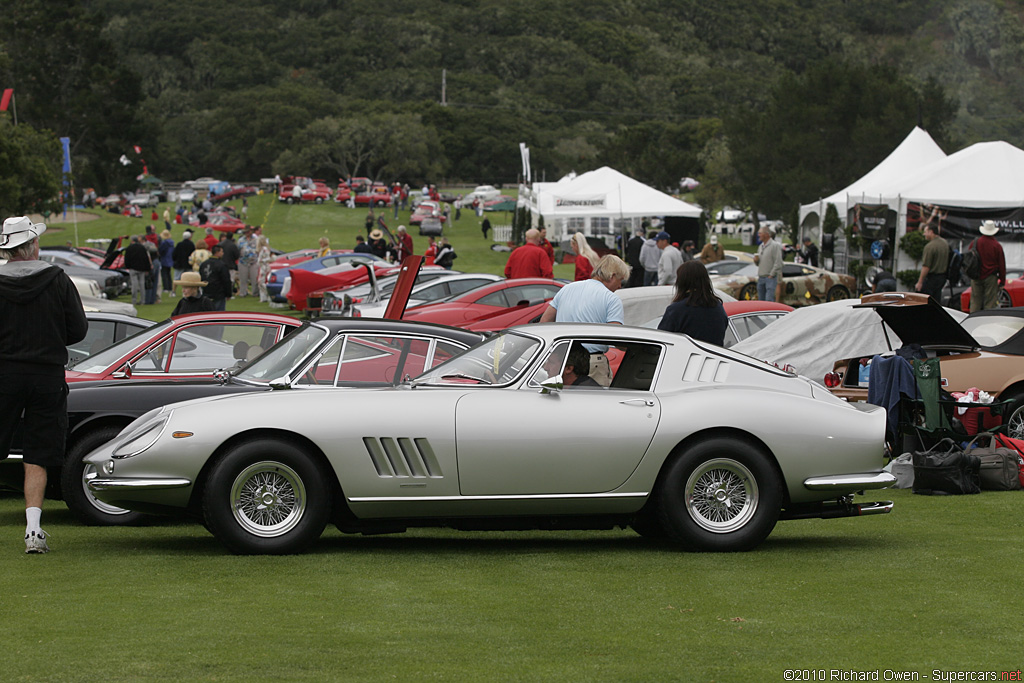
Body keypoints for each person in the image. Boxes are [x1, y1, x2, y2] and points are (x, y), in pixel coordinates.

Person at [0, 217, 87, 553]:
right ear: (33, 245)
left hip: (4, 372)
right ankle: (33, 530)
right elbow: (77, 330)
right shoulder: (57, 279)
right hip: (46, 374)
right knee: (37, 452)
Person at [539, 255, 631, 386]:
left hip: (563, 360)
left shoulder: (567, 289)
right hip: (593, 363)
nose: (620, 286)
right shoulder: (611, 299)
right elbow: (616, 337)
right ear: (612, 276)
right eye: (620, 280)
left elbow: (545, 322)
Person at [658, 260, 729, 346]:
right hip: (715, 357)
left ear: (681, 282)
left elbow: (661, 340)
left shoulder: (677, 310)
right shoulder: (717, 307)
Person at [970, 220, 1006, 311]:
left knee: (975, 301)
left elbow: (969, 258)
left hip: (976, 275)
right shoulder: (997, 246)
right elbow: (1002, 265)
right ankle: (987, 322)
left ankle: (972, 321)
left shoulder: (975, 243)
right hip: (991, 277)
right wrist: (1002, 281)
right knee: (990, 302)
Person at [915, 224, 949, 304]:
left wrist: (920, 282)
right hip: (942, 277)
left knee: (926, 302)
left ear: (931, 232)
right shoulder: (945, 243)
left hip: (932, 278)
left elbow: (926, 266)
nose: (924, 234)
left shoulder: (930, 246)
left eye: (925, 232)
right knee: (937, 301)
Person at [199, 244, 232, 311]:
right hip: (218, 293)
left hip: (206, 291)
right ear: (217, 253)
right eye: (222, 252)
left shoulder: (204, 264)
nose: (223, 253)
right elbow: (226, 280)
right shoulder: (221, 265)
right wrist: (228, 293)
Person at [754, 227, 783, 301]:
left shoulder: (775, 245)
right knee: (761, 301)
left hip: (770, 278)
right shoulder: (761, 246)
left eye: (760, 233)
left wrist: (771, 274)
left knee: (769, 300)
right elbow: (758, 264)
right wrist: (756, 261)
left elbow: (778, 262)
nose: (758, 235)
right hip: (761, 277)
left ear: (766, 234)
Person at [123, 235, 152, 306]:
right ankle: (143, 300)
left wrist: (127, 266)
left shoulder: (129, 248)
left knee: (134, 285)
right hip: (141, 269)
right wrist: (147, 268)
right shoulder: (142, 248)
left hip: (133, 269)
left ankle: (134, 300)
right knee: (142, 285)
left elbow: (126, 259)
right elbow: (146, 258)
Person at [236, 227, 259, 297]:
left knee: (254, 278)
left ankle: (255, 293)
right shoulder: (240, 240)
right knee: (243, 279)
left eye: (248, 232)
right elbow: (237, 250)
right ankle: (243, 293)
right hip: (243, 262)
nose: (247, 233)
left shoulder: (256, 239)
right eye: (245, 232)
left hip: (253, 262)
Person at [171, 230, 195, 295]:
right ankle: (188, 292)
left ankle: (173, 292)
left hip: (179, 264)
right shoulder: (191, 244)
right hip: (188, 264)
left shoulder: (179, 244)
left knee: (176, 278)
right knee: (188, 279)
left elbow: (174, 254)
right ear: (190, 237)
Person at [158, 229, 175, 297]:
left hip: (164, 259)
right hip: (170, 259)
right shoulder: (171, 243)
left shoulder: (164, 243)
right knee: (168, 274)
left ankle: (166, 287)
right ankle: (170, 287)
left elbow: (161, 251)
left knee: (164, 274)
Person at [257, 236, 273, 303]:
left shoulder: (264, 249)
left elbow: (267, 258)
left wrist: (261, 260)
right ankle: (263, 297)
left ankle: (269, 294)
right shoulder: (263, 249)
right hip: (263, 266)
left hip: (264, 267)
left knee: (261, 282)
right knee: (261, 282)